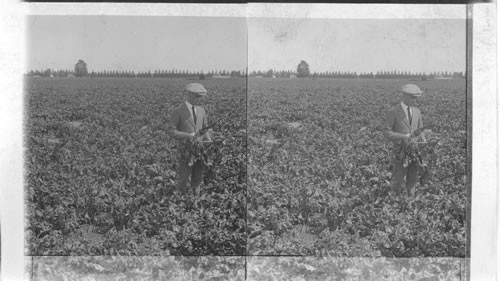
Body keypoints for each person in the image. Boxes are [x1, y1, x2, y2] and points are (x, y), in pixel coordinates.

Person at [167, 83, 210, 197]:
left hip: (199, 151)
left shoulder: (201, 111)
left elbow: (205, 129)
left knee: (197, 179)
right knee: (183, 179)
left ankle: (196, 202)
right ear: (189, 95)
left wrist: (210, 141)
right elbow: (171, 131)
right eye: (197, 96)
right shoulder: (178, 111)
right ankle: (179, 203)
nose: (199, 99)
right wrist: (188, 136)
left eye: (201, 97)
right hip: (185, 151)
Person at [383, 84, 424, 197]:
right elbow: (386, 132)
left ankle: (410, 202)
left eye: (416, 97)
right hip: (400, 151)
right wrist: (403, 137)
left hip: (415, 151)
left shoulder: (417, 112)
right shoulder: (393, 111)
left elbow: (420, 131)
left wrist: (426, 138)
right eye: (413, 97)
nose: (415, 100)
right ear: (404, 96)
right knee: (398, 179)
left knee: (413, 179)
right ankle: (393, 203)